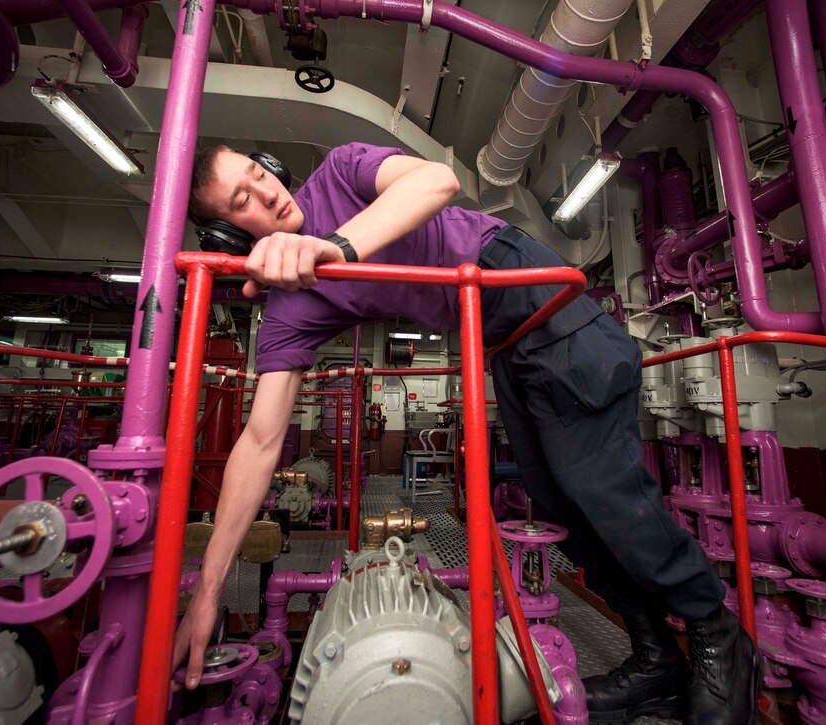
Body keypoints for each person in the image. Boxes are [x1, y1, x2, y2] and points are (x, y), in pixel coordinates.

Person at [174, 142, 762, 724]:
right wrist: (208, 593)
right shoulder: (289, 309)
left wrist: (334, 246)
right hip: (503, 342)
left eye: (258, 173)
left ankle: (718, 636)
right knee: (562, 505)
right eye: (241, 200)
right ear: (230, 238)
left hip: (534, 295)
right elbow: (259, 442)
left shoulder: (340, 171)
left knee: (604, 490)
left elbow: (436, 182)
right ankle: (657, 656)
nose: (267, 194)